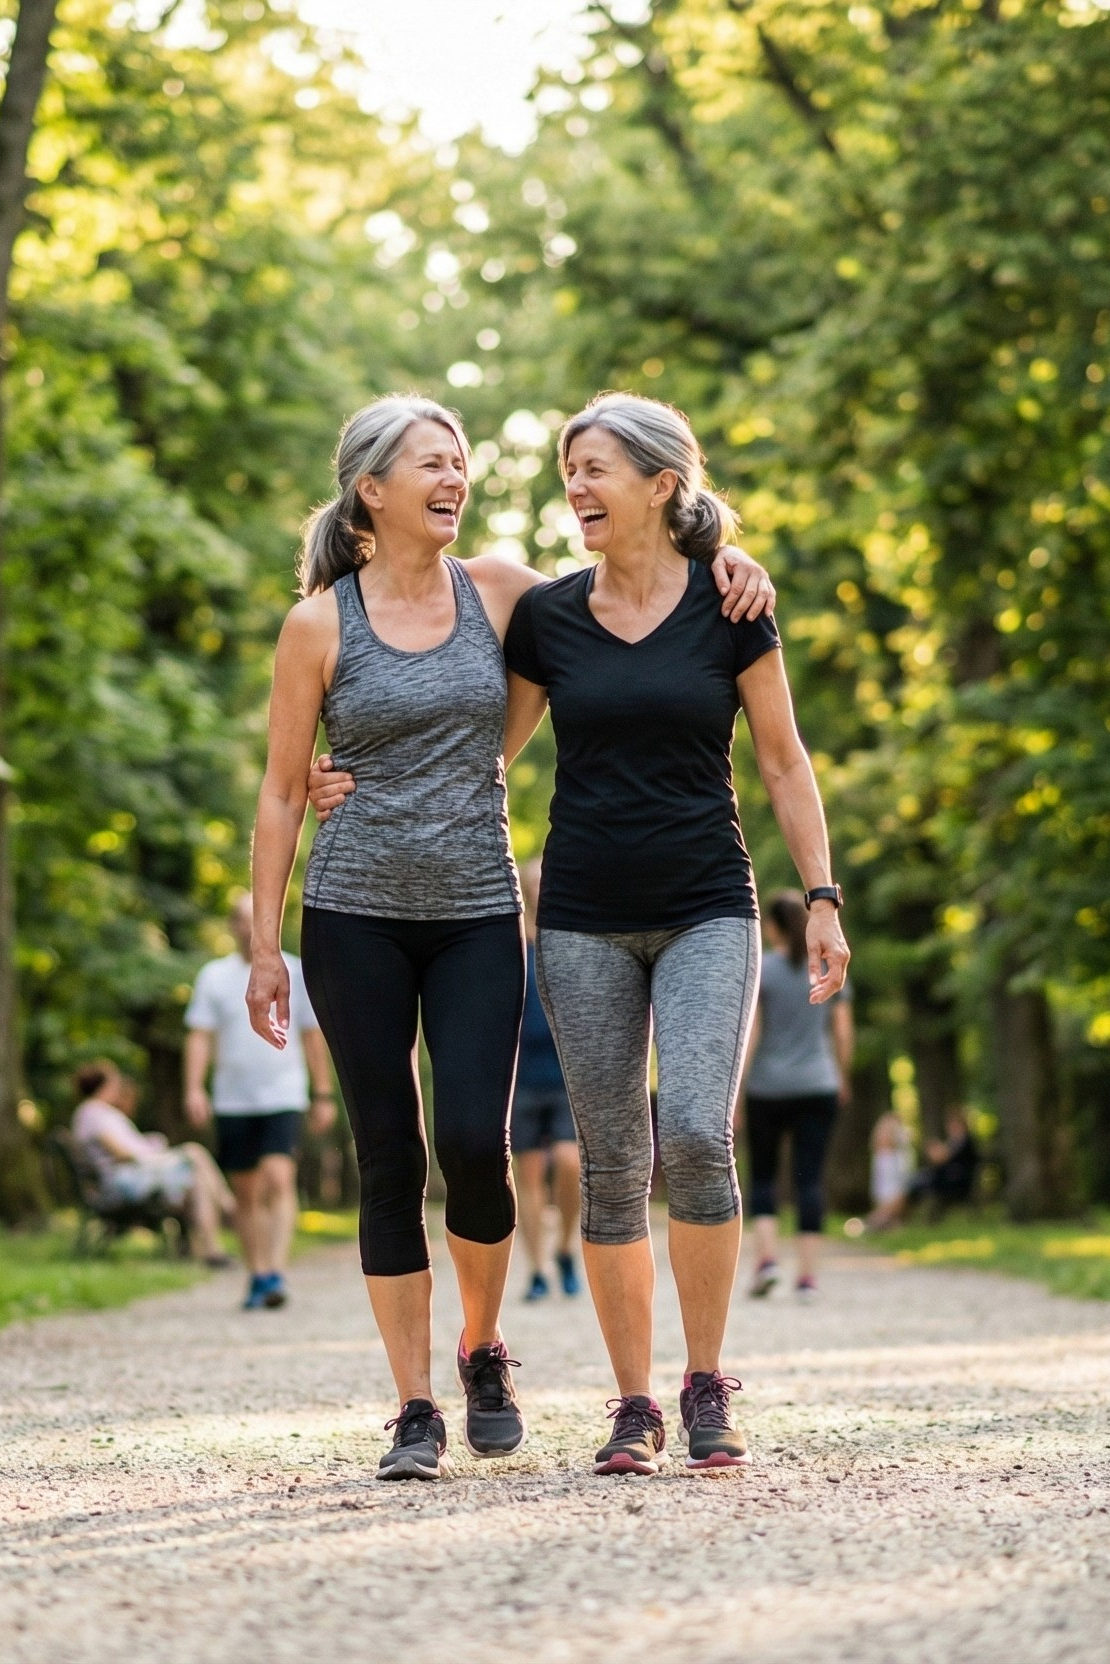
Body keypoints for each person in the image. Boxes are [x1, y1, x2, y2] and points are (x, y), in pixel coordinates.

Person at [253, 394, 776, 1482]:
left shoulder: (501, 591)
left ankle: (482, 1347)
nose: (456, 477)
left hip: (480, 911)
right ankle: (414, 1407)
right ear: (371, 489)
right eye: (432, 463)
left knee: (471, 1145)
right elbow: (279, 790)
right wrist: (267, 943)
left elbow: (632, 594)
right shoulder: (317, 625)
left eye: (460, 461)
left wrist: (731, 562)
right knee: (388, 1151)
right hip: (352, 910)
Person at [503, 392, 848, 1476]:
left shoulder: (732, 605)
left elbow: (784, 759)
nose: (576, 486)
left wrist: (823, 896)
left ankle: (705, 1380)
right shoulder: (549, 618)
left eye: (594, 468)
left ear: (661, 484)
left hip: (708, 904)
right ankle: (633, 1405)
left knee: (696, 1128)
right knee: (613, 1163)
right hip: (581, 920)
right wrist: (354, 780)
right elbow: (485, 754)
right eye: (568, 470)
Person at [187, 894, 337, 1311]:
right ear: (233, 926)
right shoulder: (213, 977)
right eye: (243, 919)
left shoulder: (295, 970)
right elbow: (199, 1036)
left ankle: (275, 1273)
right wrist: (194, 1088)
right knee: (246, 1191)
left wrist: (322, 1093)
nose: (252, 926)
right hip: (233, 1098)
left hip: (283, 1093)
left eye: (258, 917)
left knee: (278, 1177)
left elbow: (312, 1035)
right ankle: (256, 1273)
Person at [741, 889, 853, 1302]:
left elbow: (751, 1032)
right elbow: (842, 1030)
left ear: (772, 927)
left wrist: (738, 1088)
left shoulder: (763, 970)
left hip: (766, 1087)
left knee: (764, 1176)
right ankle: (807, 1279)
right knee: (810, 1178)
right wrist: (842, 1075)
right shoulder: (827, 964)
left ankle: (767, 1263)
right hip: (818, 1084)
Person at [68, 1063, 235, 1265]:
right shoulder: (93, 1113)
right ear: (104, 1086)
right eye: (114, 1083)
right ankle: (228, 1213)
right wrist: (154, 1155)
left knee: (196, 1173)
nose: (117, 1088)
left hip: (131, 1175)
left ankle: (212, 1246)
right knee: (194, 1153)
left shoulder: (97, 1112)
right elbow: (122, 1153)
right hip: (123, 1182)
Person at [511, 859, 582, 1303]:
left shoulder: (570, 936)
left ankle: (566, 1247)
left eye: (544, 880)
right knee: (530, 1174)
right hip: (520, 1078)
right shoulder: (510, 942)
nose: (539, 887)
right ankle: (537, 1270)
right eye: (532, 881)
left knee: (570, 1163)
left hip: (565, 1074)